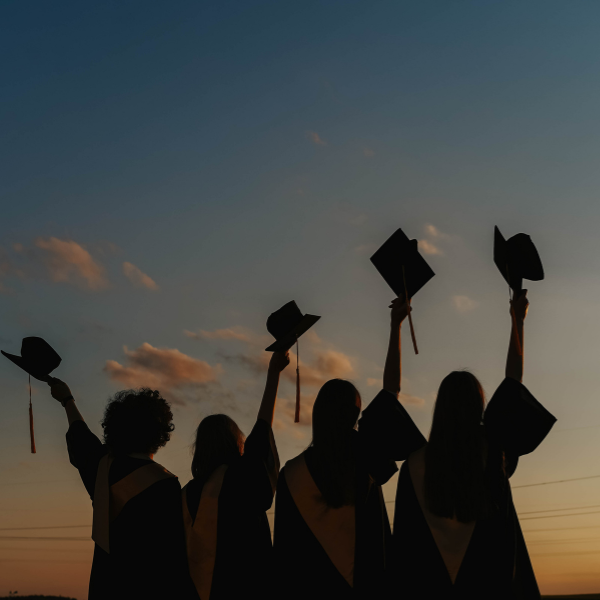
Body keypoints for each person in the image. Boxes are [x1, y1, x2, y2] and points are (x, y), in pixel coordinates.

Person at [391, 292, 556, 599]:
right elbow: (513, 385)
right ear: (479, 406)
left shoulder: (413, 464)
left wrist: (395, 326)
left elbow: (404, 545)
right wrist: (517, 320)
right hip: (488, 584)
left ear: (440, 408)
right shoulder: (493, 451)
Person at [273, 297, 427, 600]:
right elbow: (390, 393)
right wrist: (395, 327)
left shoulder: (291, 474)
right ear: (356, 415)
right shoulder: (366, 451)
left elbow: (284, 555)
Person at [47, 380, 197, 600]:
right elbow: (174, 558)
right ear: (160, 432)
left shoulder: (102, 468)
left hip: (105, 587)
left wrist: (67, 399)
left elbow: (81, 438)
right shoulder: (165, 485)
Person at [182, 350, 290, 600]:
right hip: (247, 586)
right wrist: (273, 374)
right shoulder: (241, 477)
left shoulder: (186, 494)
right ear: (235, 443)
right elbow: (262, 430)